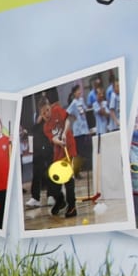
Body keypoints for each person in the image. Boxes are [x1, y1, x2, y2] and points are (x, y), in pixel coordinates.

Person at [47, 90, 78, 218]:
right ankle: (60, 201)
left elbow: (68, 120)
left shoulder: (57, 109)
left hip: (68, 148)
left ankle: (72, 207)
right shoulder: (46, 121)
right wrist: (58, 141)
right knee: (53, 179)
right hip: (58, 151)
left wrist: (64, 133)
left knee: (67, 179)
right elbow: (52, 137)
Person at [26, 95, 54, 209]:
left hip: (49, 149)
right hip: (38, 151)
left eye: (47, 109)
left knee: (50, 173)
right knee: (36, 174)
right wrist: (38, 122)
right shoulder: (36, 119)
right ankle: (35, 198)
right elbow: (33, 131)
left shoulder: (51, 118)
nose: (46, 112)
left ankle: (51, 195)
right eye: (43, 110)